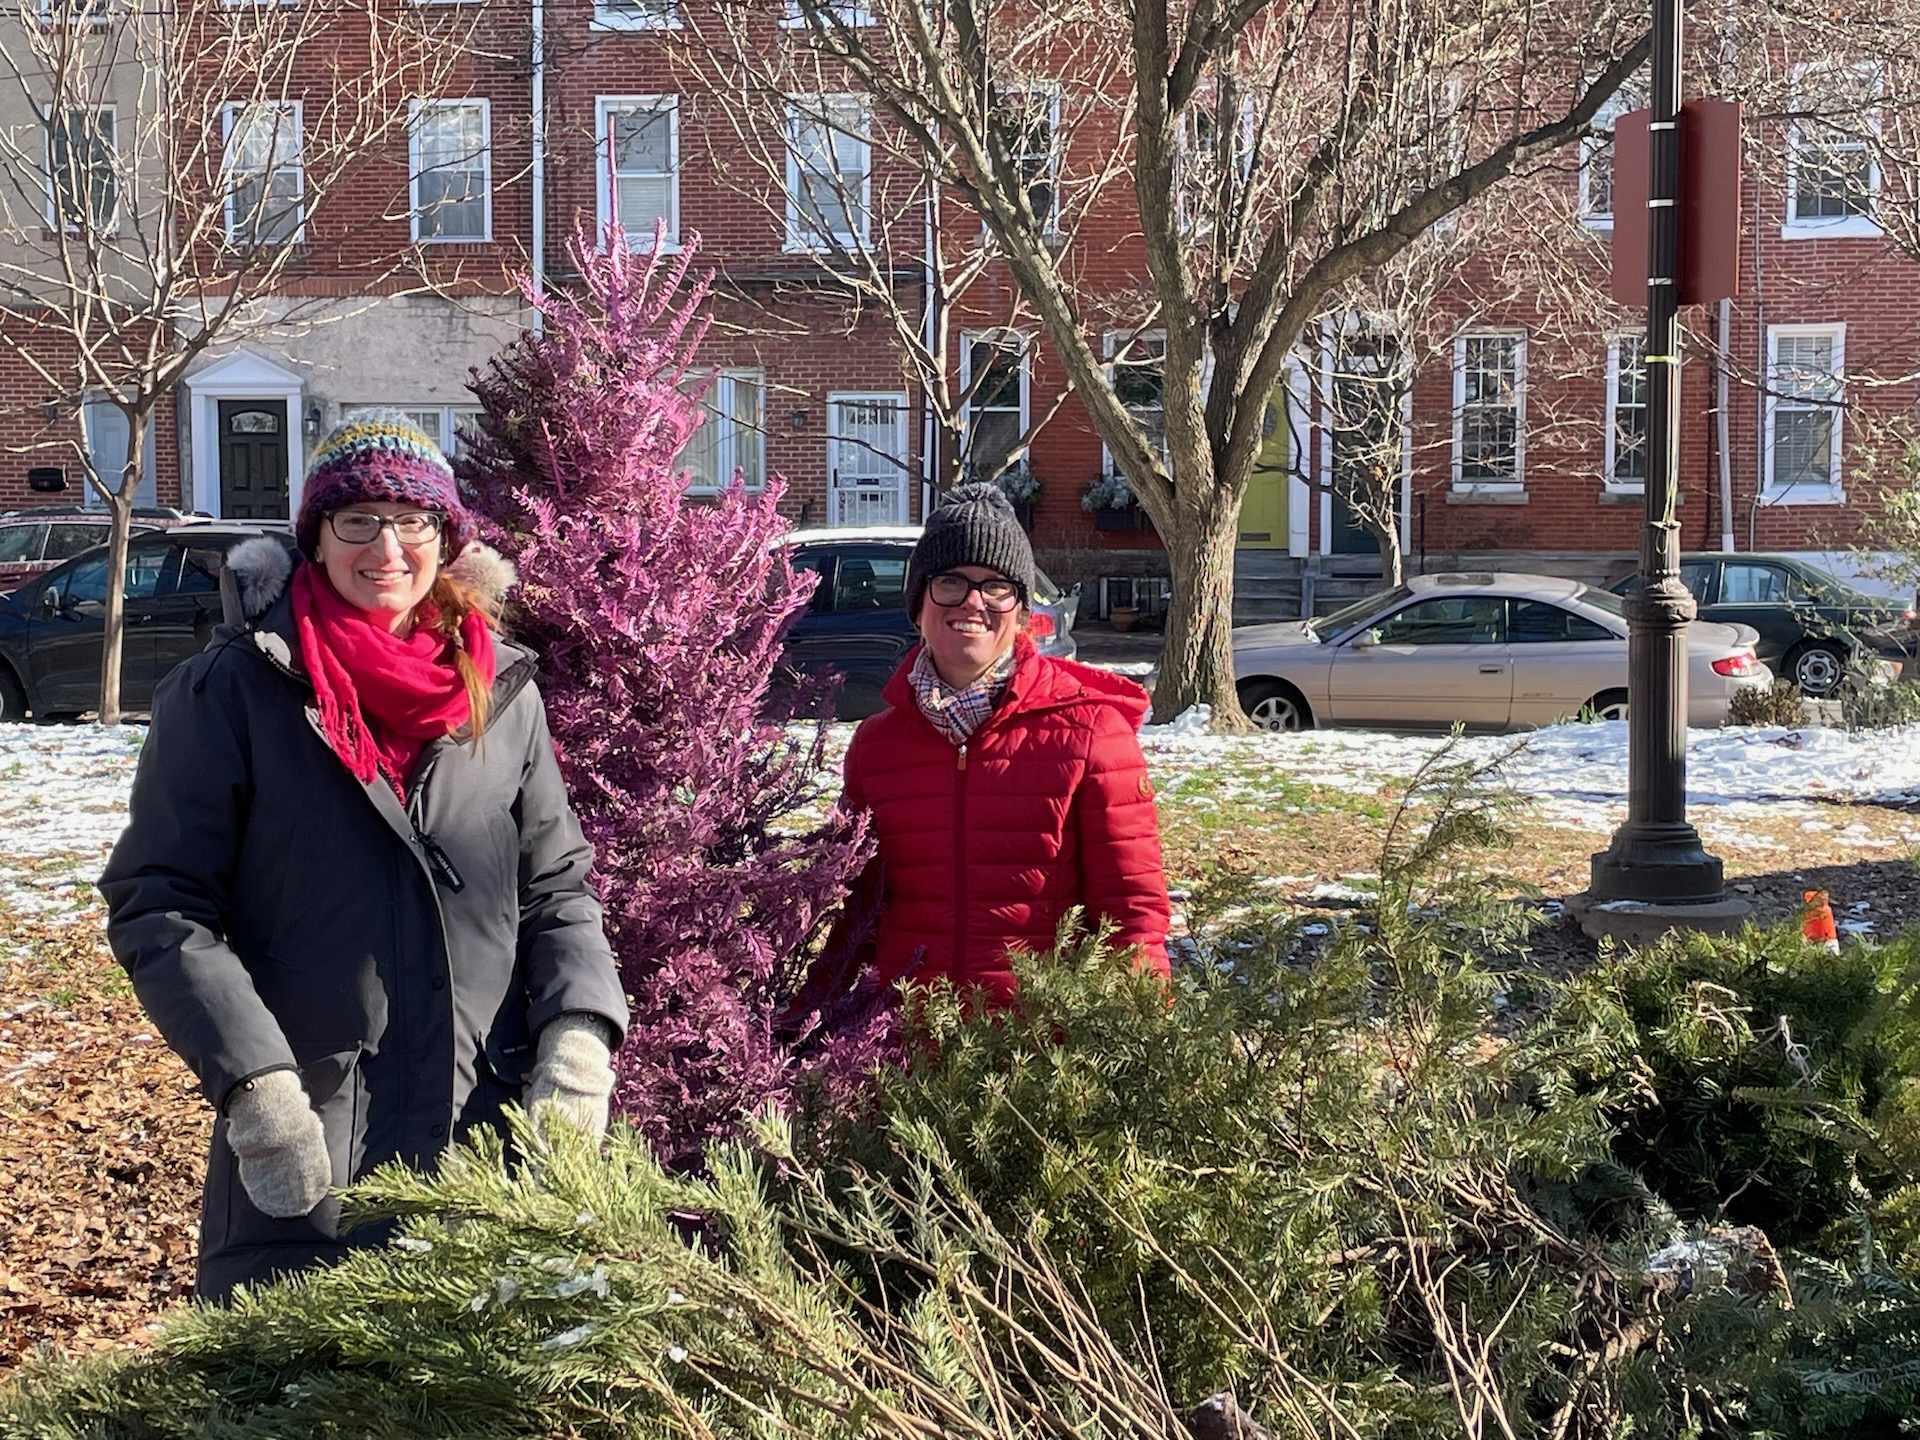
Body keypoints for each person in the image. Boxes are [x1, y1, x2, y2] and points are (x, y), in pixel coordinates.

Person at [99, 409, 628, 1303]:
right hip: (309, 1152)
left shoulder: (500, 693)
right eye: (358, 520)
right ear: (315, 536)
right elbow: (162, 902)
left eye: (413, 520)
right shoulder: (233, 690)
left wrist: (579, 1037)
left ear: (446, 540)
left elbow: (558, 887)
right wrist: (258, 1091)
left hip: (483, 1144)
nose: (387, 546)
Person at [837, 482, 1171, 1010]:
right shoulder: (876, 747)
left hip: (1039, 1044)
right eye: (950, 581)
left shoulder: (1091, 733)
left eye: (996, 587)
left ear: (1020, 614)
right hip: (904, 1045)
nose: (973, 602)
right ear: (918, 605)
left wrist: (1135, 1035)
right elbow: (856, 916)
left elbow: (1131, 917)